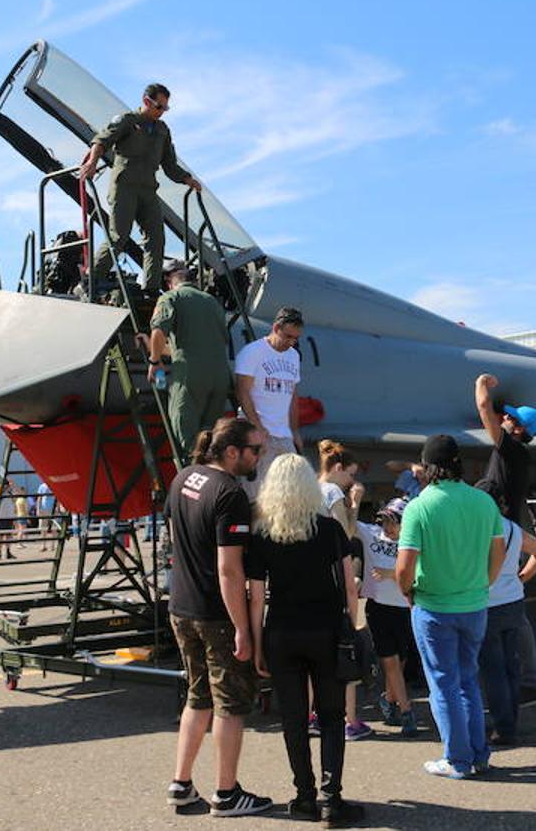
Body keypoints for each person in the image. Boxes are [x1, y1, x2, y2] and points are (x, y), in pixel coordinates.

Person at [246, 454, 365, 826]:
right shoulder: (329, 529)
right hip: (326, 630)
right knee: (331, 717)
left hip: (282, 631)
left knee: (294, 719)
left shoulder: (264, 533)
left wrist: (256, 639)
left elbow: (255, 595)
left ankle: (304, 796)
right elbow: (349, 584)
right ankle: (332, 799)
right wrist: (353, 625)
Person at [163, 416, 272, 817]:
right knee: (229, 704)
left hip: (182, 605)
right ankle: (227, 793)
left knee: (197, 696)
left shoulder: (184, 477)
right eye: (255, 450)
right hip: (215, 613)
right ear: (232, 452)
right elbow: (230, 569)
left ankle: (181, 782)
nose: (258, 456)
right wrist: (243, 626)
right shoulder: (229, 493)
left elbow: (177, 538)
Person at [395, 434, 506, 779]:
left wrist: (408, 592)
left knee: (443, 684)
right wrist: (482, 584)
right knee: (468, 680)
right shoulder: (483, 502)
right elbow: (497, 553)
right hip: (474, 604)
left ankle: (457, 760)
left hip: (433, 606)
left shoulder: (418, 506)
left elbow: (404, 565)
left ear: (425, 468)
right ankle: (479, 754)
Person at [78, 82, 202, 298]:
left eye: (165, 108)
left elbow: (170, 165)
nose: (162, 112)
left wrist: (187, 179)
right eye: (159, 107)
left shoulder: (163, 131)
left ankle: (151, 289)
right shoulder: (128, 121)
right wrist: (92, 162)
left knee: (156, 238)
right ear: (146, 102)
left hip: (147, 190)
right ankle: (92, 278)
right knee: (119, 236)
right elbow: (101, 141)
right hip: (124, 187)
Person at [477, 509, 536, 747]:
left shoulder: (478, 528)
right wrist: (521, 578)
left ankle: (503, 726)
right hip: (513, 601)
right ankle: (510, 722)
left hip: (487, 602)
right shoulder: (511, 528)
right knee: (511, 666)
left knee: (492, 670)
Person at [147, 259, 232, 459]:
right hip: (219, 378)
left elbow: (159, 330)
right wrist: (154, 348)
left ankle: (193, 472)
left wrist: (154, 360)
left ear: (169, 282)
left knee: (187, 440)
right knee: (210, 438)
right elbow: (196, 345)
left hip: (190, 377)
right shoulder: (212, 302)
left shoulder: (171, 297)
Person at [316, 439, 371, 740]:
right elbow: (345, 532)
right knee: (343, 647)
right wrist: (355, 502)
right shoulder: (333, 492)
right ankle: (350, 719)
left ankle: (314, 713)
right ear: (338, 469)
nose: (351, 480)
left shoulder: (311, 488)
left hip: (311, 574)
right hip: (336, 574)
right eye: (349, 474)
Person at [355, 497, 419, 737]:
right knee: (390, 663)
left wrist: (391, 573)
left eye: (392, 522)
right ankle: (407, 712)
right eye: (384, 521)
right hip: (379, 608)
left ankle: (388, 700)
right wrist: (354, 501)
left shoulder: (411, 542)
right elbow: (349, 526)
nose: (387, 527)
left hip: (405, 608)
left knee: (399, 664)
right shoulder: (372, 534)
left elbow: (416, 573)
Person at [235, 307, 304, 494]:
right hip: (258, 432)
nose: (291, 342)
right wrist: (257, 427)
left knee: (288, 492)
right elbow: (243, 392)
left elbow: (292, 395)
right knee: (257, 494)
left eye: (295, 338)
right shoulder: (252, 352)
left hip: (283, 435)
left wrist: (295, 430)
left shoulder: (293, 356)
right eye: (288, 336)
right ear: (275, 327)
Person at [474, 374, 536, 528]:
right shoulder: (521, 454)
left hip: (499, 527)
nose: (504, 417)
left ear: (519, 429)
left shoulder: (511, 449)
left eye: (510, 417)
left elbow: (484, 406)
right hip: (507, 526)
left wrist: (481, 382)